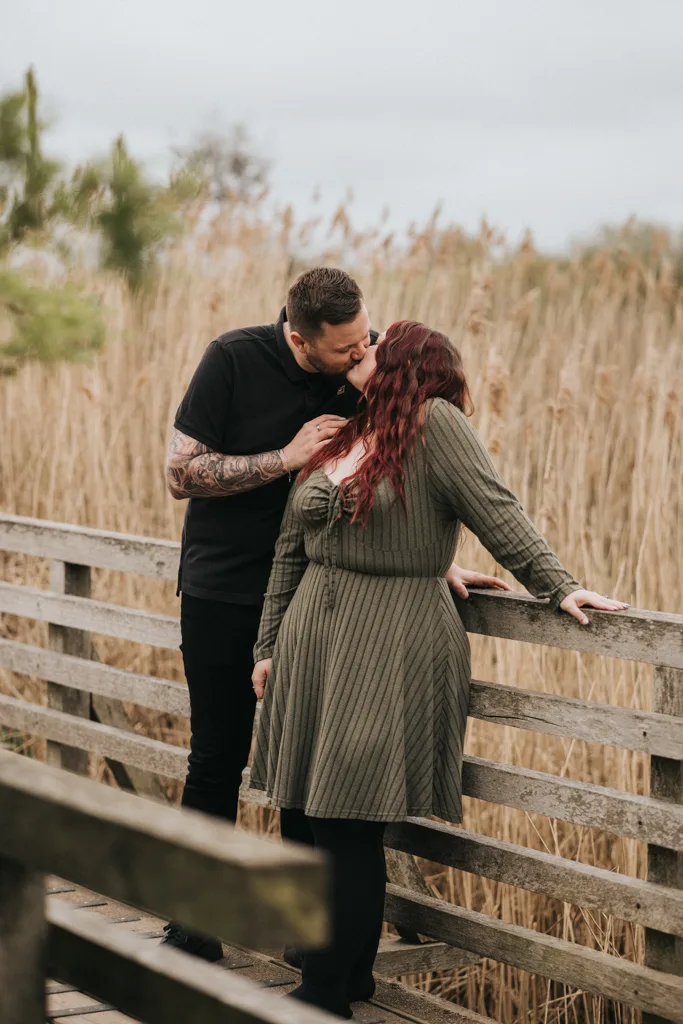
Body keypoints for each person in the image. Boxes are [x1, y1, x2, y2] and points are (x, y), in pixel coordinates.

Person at [250, 320, 628, 1019]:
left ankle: (328, 988)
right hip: (312, 642)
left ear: (405, 364)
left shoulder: (435, 424)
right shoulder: (339, 432)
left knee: (346, 818)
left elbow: (495, 509)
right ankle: (336, 966)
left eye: (373, 343)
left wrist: (558, 584)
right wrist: (267, 644)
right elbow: (287, 551)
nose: (359, 348)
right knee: (301, 809)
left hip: (386, 641)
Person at [163, 271, 509, 960]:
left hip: (322, 603)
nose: (362, 355)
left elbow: (390, 464)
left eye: (365, 339)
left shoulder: (365, 366)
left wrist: (428, 558)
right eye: (345, 350)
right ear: (299, 338)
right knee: (216, 758)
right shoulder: (231, 359)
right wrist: (283, 458)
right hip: (226, 591)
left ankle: (306, 937)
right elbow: (180, 473)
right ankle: (194, 920)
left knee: (305, 774)